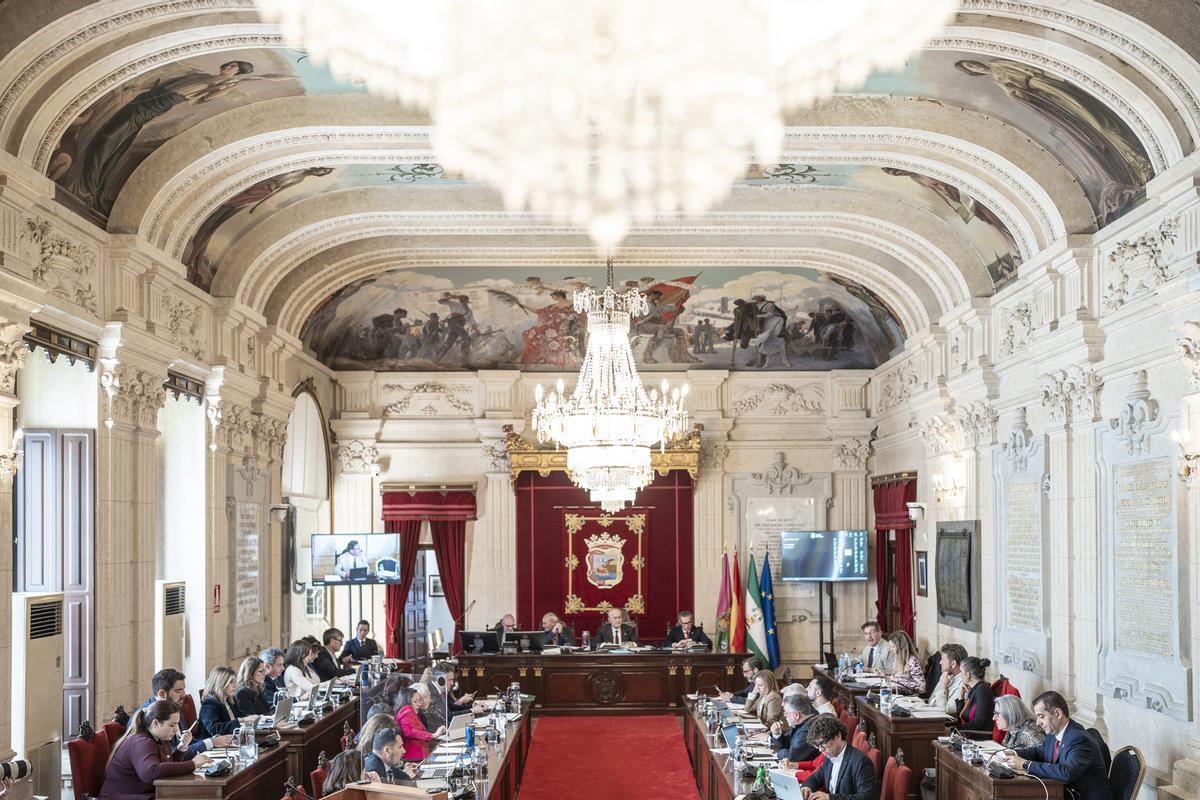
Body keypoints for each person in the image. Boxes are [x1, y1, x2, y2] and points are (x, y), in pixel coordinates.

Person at [1003, 691, 1113, 800]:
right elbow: (1039, 752)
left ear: (1058, 714)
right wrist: (1011, 753)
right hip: (1063, 793)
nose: (1037, 722)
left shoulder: (1079, 739)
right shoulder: (1053, 733)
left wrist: (1025, 764)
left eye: (1041, 716)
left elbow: (1066, 773)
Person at [99, 700, 211, 800]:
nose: (176, 730)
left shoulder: (158, 738)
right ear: (155, 723)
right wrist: (192, 764)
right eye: (172, 725)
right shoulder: (141, 742)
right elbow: (150, 772)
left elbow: (167, 766)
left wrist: (181, 749)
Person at [141, 669, 233, 757]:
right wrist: (211, 742)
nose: (184, 695)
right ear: (162, 694)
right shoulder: (148, 716)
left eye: (183, 690)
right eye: (178, 691)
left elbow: (186, 742)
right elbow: (171, 754)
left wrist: (212, 740)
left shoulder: (174, 706)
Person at [800, 714, 876, 800]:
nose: (820, 750)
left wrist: (830, 798)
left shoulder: (861, 762)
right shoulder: (829, 756)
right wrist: (807, 787)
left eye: (823, 743)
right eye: (817, 746)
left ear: (838, 736)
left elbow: (867, 797)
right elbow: (816, 777)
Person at [394, 684, 446, 760]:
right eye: (415, 701)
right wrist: (433, 735)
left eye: (418, 701)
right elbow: (408, 731)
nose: (419, 704)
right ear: (407, 702)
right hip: (414, 758)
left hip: (419, 756)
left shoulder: (411, 713)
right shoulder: (406, 710)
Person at [425, 663, 476, 731]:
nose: (452, 683)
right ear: (440, 680)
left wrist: (472, 706)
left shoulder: (442, 689)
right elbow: (448, 716)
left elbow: (452, 707)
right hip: (436, 732)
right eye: (449, 680)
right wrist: (472, 711)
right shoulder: (431, 692)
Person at [771, 694, 819, 765]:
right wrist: (777, 733)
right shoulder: (802, 725)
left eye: (786, 712)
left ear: (796, 715)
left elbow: (791, 757)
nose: (784, 715)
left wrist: (778, 752)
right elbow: (786, 744)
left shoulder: (809, 729)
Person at [200, 666, 249, 735]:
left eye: (235, 681)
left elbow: (240, 716)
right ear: (220, 683)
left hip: (232, 738)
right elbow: (215, 730)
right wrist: (242, 720)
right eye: (231, 682)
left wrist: (255, 718)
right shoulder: (209, 704)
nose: (235, 686)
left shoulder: (229, 699)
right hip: (215, 741)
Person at [956, 657, 995, 732]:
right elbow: (961, 718)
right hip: (969, 733)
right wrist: (961, 697)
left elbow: (978, 722)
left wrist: (955, 730)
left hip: (978, 736)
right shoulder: (974, 689)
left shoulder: (982, 690)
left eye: (961, 672)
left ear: (968, 674)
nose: (960, 675)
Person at [929, 643, 968, 715]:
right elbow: (930, 701)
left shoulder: (962, 683)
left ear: (953, 664)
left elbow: (943, 711)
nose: (940, 662)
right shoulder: (946, 675)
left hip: (943, 720)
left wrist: (943, 687)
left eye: (943, 660)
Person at [885, 631, 926, 695]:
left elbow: (921, 687)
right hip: (900, 693)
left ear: (901, 647)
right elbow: (899, 678)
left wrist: (898, 679)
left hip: (911, 697)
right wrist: (886, 675)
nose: (891, 650)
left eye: (893, 647)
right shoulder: (899, 659)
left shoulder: (912, 661)